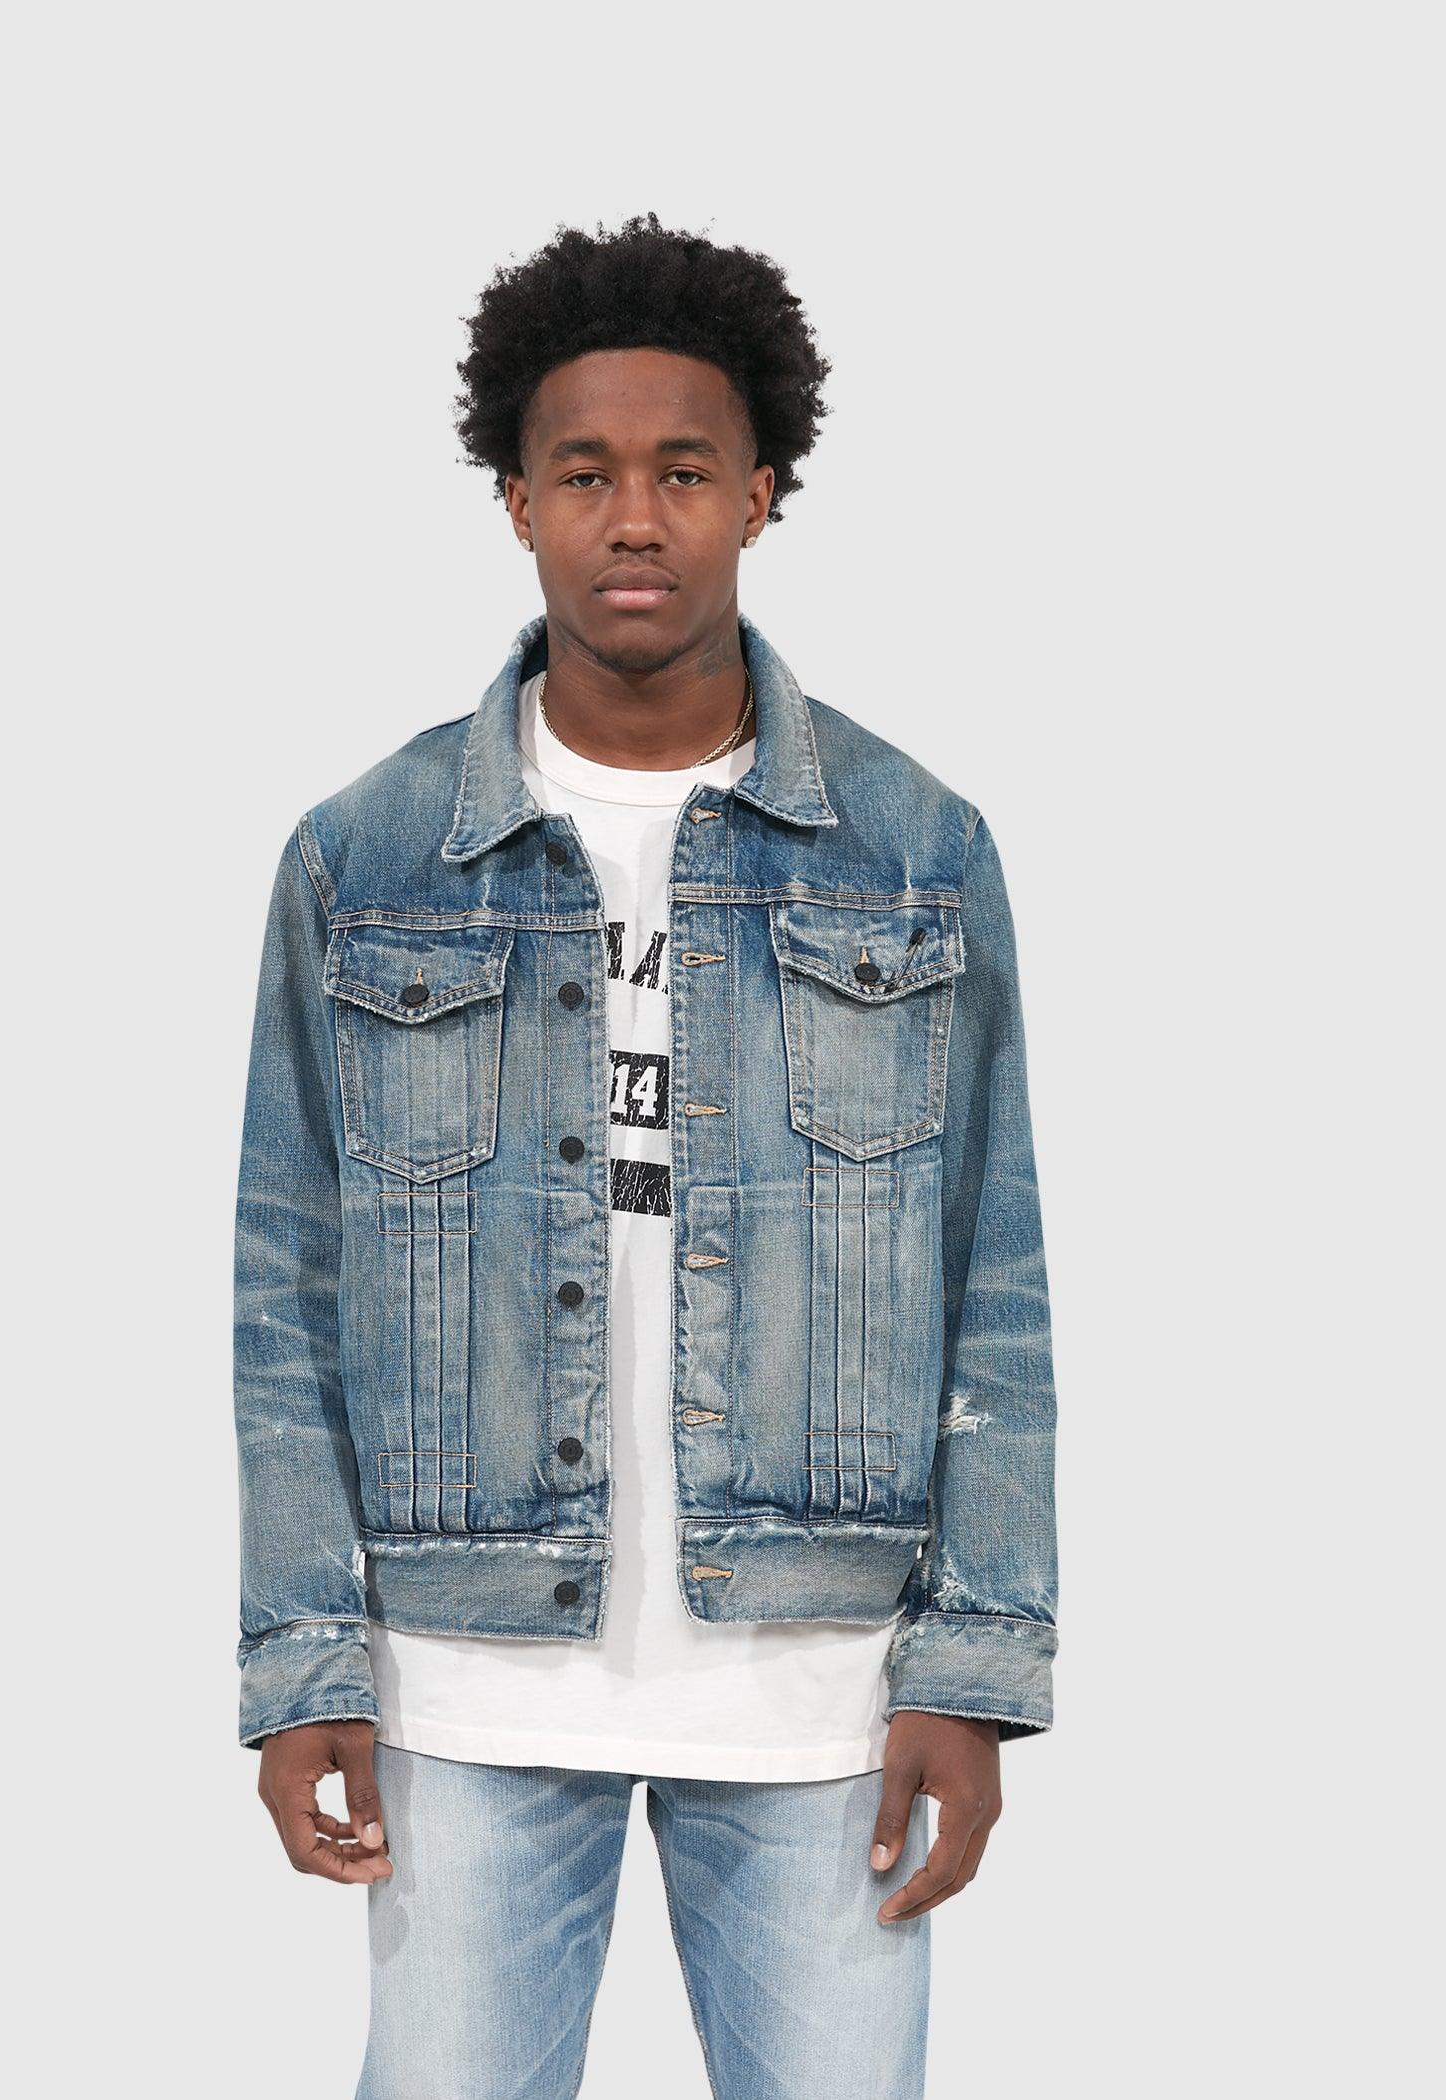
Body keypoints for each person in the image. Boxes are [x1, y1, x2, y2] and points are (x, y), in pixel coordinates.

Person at [233, 210, 1060, 2100]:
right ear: (515, 502)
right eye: (586, 472)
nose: (635, 519)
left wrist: (973, 1667)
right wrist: (304, 1666)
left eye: (685, 472)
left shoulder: (916, 846)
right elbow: (283, 1294)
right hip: (461, 1688)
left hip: (824, 1698)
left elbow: (992, 1280)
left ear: (761, 494)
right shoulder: (364, 859)